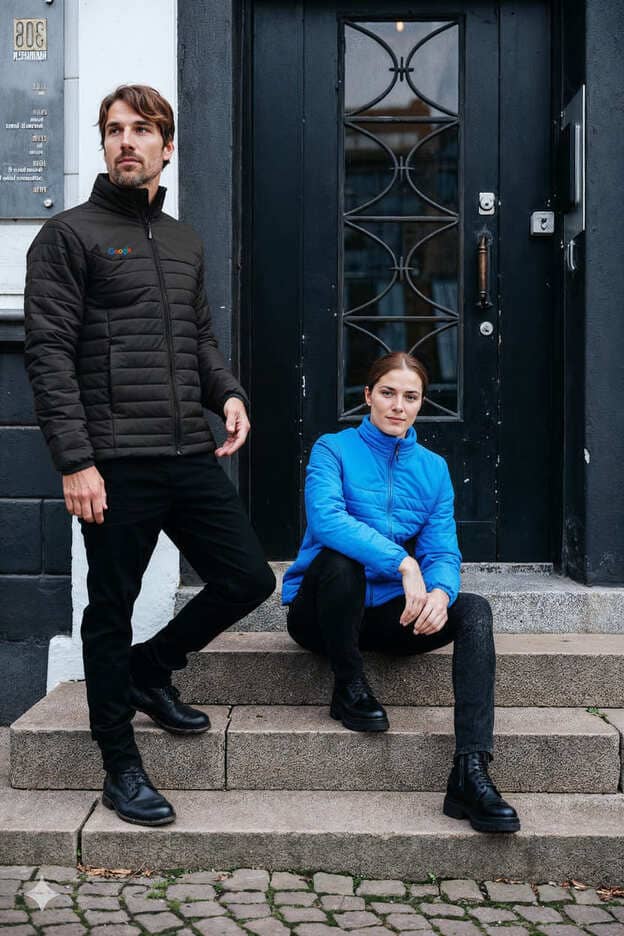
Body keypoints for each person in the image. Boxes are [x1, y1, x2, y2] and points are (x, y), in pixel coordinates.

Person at [24, 84, 275, 827]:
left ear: (168, 147)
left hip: (186, 449)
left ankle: (151, 666)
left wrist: (228, 393)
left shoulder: (183, 240)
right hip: (113, 461)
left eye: (142, 129)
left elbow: (198, 340)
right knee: (110, 610)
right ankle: (120, 766)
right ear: (103, 144)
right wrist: (75, 461)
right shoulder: (67, 236)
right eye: (114, 129)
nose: (126, 140)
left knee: (247, 578)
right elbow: (48, 355)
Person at [282, 352, 520, 834]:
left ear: (420, 404)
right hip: (322, 615)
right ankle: (349, 687)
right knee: (341, 559)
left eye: (410, 397)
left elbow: (443, 551)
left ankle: (470, 772)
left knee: (475, 609)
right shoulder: (333, 449)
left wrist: (440, 594)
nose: (398, 406)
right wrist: (403, 563)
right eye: (388, 393)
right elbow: (327, 521)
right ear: (368, 396)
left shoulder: (433, 469)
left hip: (390, 616)